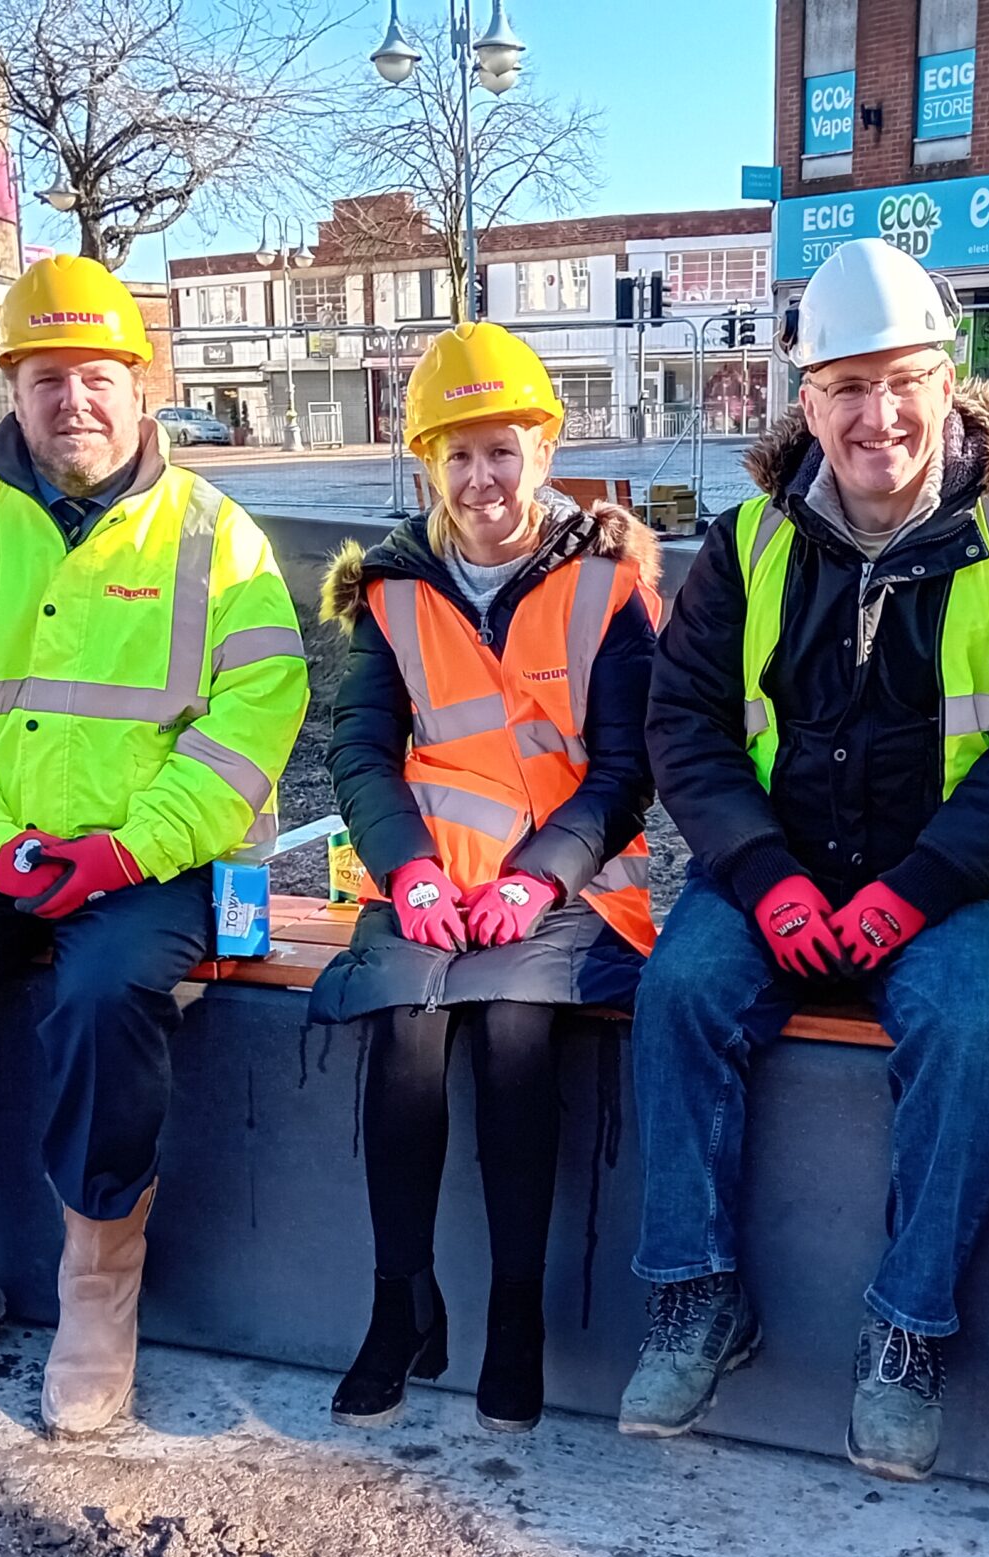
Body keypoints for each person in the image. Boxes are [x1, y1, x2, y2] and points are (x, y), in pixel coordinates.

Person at [631, 237, 989, 1482]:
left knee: (964, 1029)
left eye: (901, 381)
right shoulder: (746, 547)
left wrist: (910, 894)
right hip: (776, 874)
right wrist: (763, 876)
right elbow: (682, 729)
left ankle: (906, 1331)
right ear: (807, 404)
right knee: (680, 991)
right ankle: (696, 1296)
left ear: (947, 382)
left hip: (952, 887)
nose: (877, 414)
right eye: (846, 387)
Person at [0, 257, 307, 1437]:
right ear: (12, 389)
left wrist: (126, 852)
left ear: (138, 385)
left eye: (93, 376)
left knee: (98, 996)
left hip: (154, 860)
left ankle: (96, 1294)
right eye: (44, 378)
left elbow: (256, 719)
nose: (70, 401)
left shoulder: (214, 536)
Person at [313, 322, 660, 1434]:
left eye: (500, 450)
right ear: (428, 465)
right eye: (456, 455)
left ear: (543, 452)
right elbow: (357, 752)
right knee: (404, 1026)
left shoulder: (610, 587)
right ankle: (399, 1301)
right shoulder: (390, 591)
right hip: (425, 883)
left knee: (516, 1026)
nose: (480, 478)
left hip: (566, 887)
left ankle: (516, 1318)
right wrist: (408, 872)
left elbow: (625, 770)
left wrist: (538, 880)